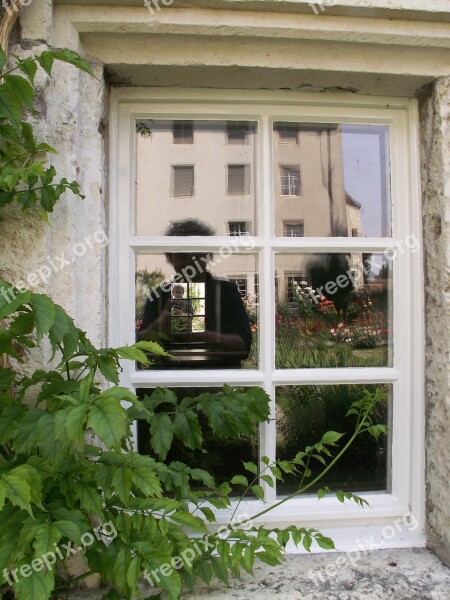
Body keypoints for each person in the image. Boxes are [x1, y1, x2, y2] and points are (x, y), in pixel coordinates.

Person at [137, 219, 252, 369]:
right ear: (171, 257)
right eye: (181, 252)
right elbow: (140, 350)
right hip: (170, 384)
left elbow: (244, 346)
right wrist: (158, 326)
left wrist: (199, 334)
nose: (189, 257)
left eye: (196, 251)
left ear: (208, 255)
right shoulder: (159, 296)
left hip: (219, 383)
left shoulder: (226, 292)